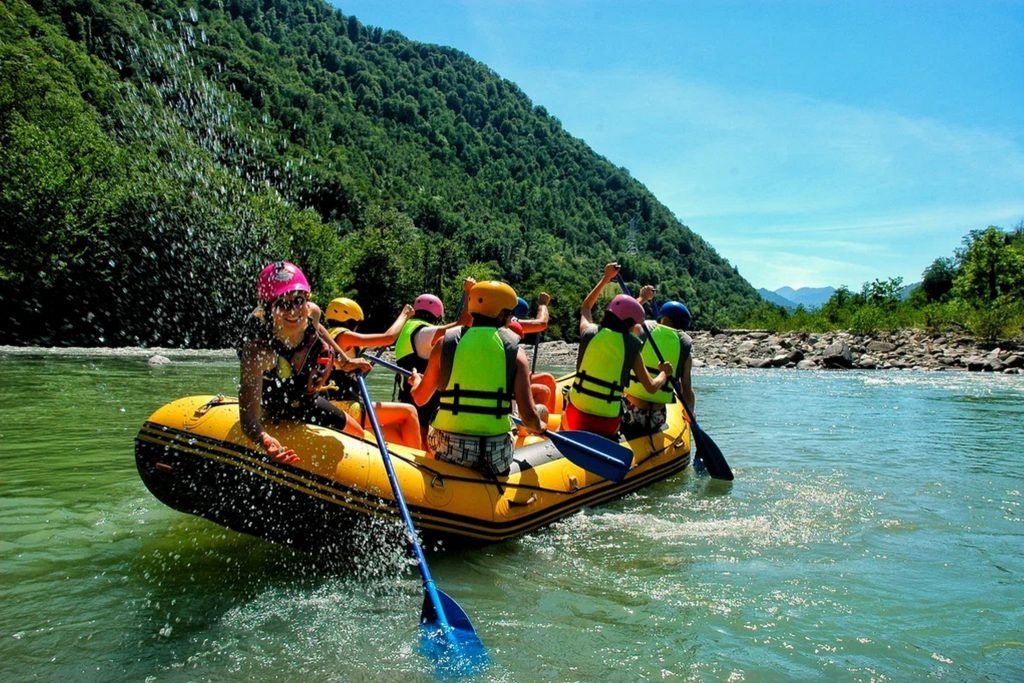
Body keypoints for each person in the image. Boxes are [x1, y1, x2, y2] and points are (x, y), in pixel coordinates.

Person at [238, 261, 371, 465]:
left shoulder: (312, 313)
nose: (293, 311)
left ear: (307, 299)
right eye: (283, 304)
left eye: (298, 300)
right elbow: (248, 419)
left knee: (359, 434)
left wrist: (345, 361)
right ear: (268, 310)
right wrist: (264, 440)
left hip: (308, 400)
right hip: (275, 406)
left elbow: (319, 331)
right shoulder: (258, 351)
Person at [409, 280, 544, 476]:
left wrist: (417, 382)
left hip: (448, 450)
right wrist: (540, 426)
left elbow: (420, 398)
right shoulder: (515, 352)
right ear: (502, 314)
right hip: (494, 454)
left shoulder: (444, 344)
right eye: (510, 314)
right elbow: (529, 418)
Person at [564, 263, 672, 440]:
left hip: (576, 417)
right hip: (607, 424)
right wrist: (663, 374)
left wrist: (606, 278)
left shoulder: (589, 332)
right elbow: (651, 387)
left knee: (567, 406)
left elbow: (586, 307)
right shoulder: (632, 347)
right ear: (631, 325)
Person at [323, 297, 423, 449]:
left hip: (333, 405)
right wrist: (404, 315)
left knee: (395, 429)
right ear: (351, 321)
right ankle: (419, 464)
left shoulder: (326, 336)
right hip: (347, 408)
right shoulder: (344, 336)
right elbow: (388, 338)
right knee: (409, 411)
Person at [394, 282, 473, 445]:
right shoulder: (424, 333)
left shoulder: (408, 328)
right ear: (437, 315)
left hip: (408, 396)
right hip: (420, 401)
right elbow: (465, 322)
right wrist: (468, 292)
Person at [621, 290, 695, 439]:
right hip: (657, 418)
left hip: (630, 411)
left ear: (661, 317)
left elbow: (620, 322)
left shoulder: (641, 329)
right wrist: (691, 414)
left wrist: (642, 298)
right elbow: (687, 390)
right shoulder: (684, 346)